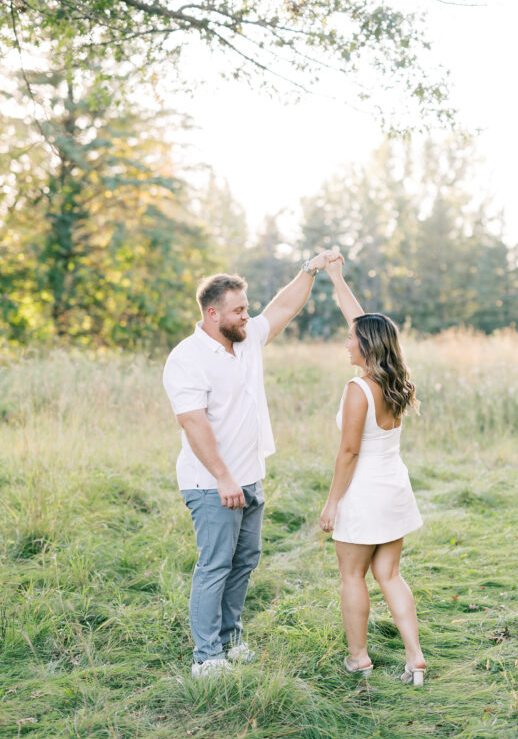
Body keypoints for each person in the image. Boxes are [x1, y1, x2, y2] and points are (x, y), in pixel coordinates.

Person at [163, 251, 341, 678]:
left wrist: (309, 270)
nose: (248, 316)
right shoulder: (186, 358)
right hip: (212, 485)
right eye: (239, 310)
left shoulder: (246, 342)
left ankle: (229, 639)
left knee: (244, 562)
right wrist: (224, 478)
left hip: (250, 479)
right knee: (215, 565)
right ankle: (206, 658)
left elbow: (283, 306)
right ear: (212, 313)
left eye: (247, 308)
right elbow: (193, 422)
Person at [320, 257, 426, 685]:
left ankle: (359, 658)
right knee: (390, 575)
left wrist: (332, 503)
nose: (345, 344)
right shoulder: (393, 380)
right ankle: (415, 657)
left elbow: (349, 452)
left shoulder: (358, 389)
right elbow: (363, 321)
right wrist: (336, 278)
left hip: (362, 494)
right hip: (394, 489)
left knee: (352, 576)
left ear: (366, 347)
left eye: (350, 339)